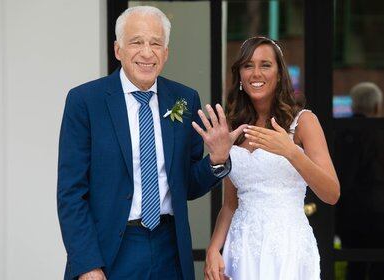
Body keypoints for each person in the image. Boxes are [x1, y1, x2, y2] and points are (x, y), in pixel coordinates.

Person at [57, 6, 245, 280]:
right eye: (136, 42)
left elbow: (188, 186)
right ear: (117, 50)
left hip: (169, 249)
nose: (147, 52)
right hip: (111, 251)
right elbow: (71, 193)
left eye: (156, 43)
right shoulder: (85, 102)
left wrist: (216, 161)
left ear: (166, 53)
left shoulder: (184, 99)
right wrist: (87, 264)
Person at [202, 37, 340, 280]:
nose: (256, 73)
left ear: (279, 74)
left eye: (265, 65)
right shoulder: (234, 127)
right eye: (248, 65)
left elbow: (331, 193)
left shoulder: (304, 122)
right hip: (242, 246)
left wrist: (291, 152)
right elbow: (230, 205)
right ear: (241, 77)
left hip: (287, 247)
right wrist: (214, 248)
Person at [334, 82, 384, 280]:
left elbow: (343, 175)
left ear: (353, 106)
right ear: (376, 107)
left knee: (355, 268)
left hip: (352, 216)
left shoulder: (342, 132)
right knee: (382, 270)